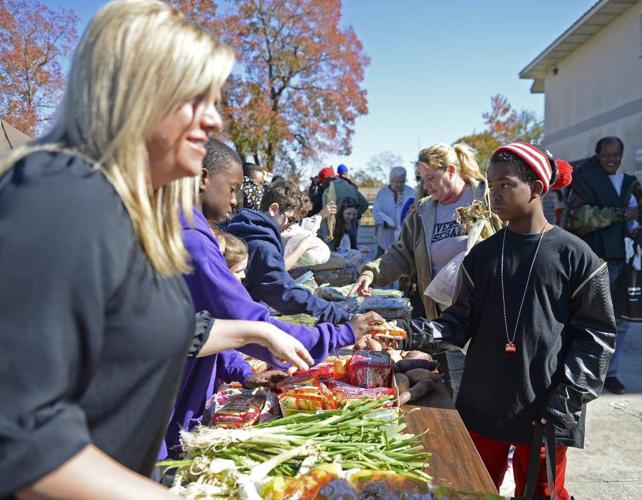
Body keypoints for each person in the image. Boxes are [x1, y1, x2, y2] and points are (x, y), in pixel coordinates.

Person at [0, 1, 312, 496]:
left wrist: (252, 331)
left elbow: (130, 330)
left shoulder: (131, 210)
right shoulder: (57, 194)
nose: (213, 122)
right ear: (135, 93)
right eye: (197, 100)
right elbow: (20, 436)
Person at [405, 142, 615, 499]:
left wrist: (566, 400)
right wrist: (408, 332)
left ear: (536, 189)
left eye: (505, 185)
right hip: (484, 400)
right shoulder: (482, 256)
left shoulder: (577, 257)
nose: (494, 195)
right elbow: (458, 322)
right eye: (491, 184)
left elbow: (596, 338)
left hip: (546, 405)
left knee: (541, 492)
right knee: (474, 488)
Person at [166, 138, 382, 458]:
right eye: (232, 188)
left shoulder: (192, 231)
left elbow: (209, 324)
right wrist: (343, 332)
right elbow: (243, 320)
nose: (236, 199)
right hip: (168, 402)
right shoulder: (194, 242)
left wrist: (242, 371)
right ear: (202, 177)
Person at [351, 143, 493, 395]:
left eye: (431, 178)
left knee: (487, 386)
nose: (426, 185)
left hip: (487, 316)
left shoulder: (486, 198)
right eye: (422, 179)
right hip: (445, 320)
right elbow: (401, 253)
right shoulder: (424, 211)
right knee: (454, 389)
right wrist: (370, 272)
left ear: (451, 170)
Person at [566, 136, 641, 394]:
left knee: (621, 321)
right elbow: (577, 219)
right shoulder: (585, 181)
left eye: (616, 155)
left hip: (625, 261)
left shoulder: (630, 185)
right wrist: (620, 214)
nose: (612, 160)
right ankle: (584, 372)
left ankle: (611, 373)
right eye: (607, 155)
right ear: (597, 155)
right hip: (594, 261)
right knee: (589, 319)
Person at [226, 179, 352, 324]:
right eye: (290, 219)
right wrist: (335, 312)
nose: (290, 226)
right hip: (239, 320)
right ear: (274, 209)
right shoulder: (263, 247)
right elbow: (284, 293)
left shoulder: (245, 228)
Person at [373, 166, 416, 256]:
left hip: (404, 237)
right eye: (396, 181)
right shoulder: (382, 192)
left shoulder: (412, 193)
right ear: (390, 180)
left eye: (401, 182)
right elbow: (376, 211)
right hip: (385, 235)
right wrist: (384, 223)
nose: (398, 184)